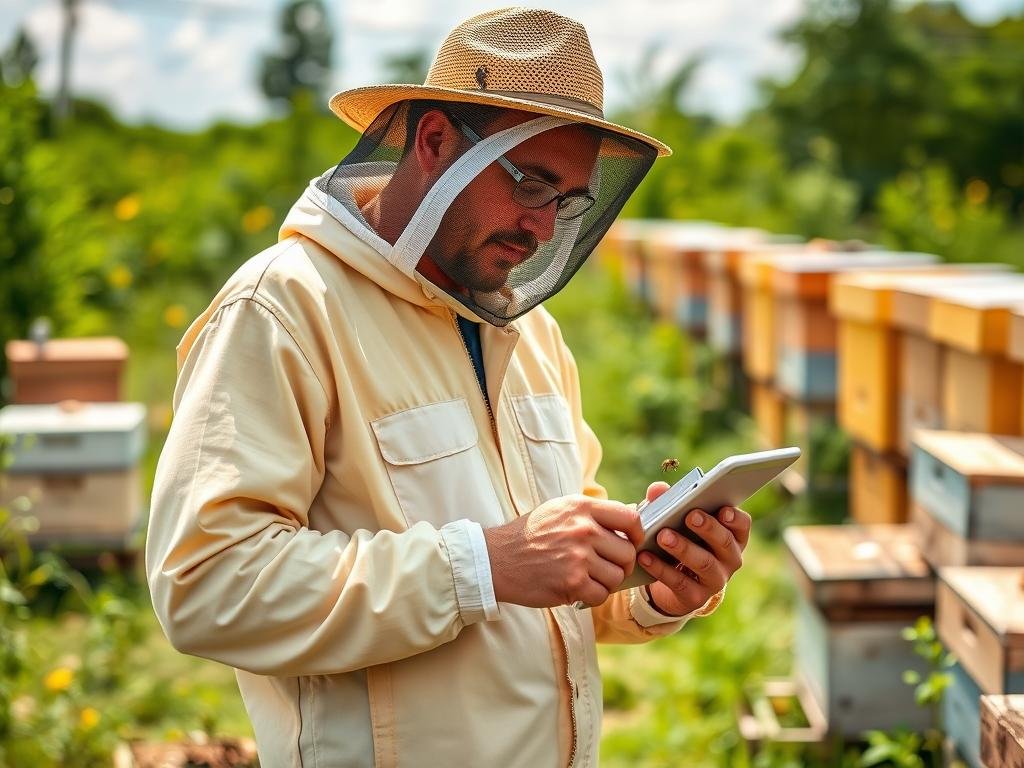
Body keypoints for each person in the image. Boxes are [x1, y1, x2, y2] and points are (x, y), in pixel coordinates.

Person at [147, 7, 752, 767]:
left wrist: (656, 583)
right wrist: (483, 566)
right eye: (530, 183)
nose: (541, 228)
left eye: (566, 201)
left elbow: (558, 584)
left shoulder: (530, 335)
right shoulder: (283, 310)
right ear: (433, 143)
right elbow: (206, 586)